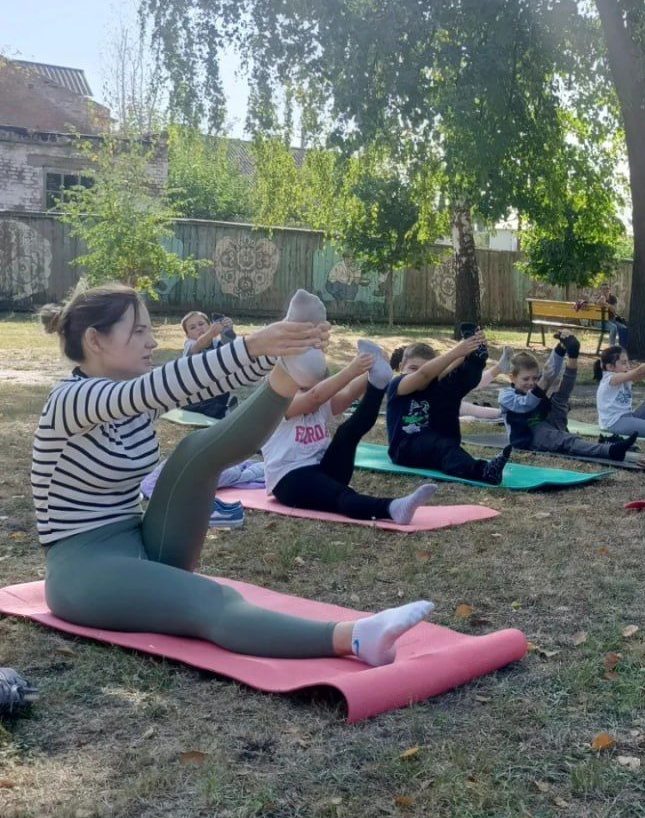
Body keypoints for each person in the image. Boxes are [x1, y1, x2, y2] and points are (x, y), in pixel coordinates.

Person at [32, 283, 433, 666]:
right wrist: (258, 343)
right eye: (138, 332)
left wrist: (283, 348)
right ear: (94, 341)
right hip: (82, 571)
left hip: (146, 543)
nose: (152, 342)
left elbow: (199, 380)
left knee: (195, 451)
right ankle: (354, 637)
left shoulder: (130, 396)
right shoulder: (70, 401)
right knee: (210, 599)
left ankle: (288, 374)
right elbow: (163, 386)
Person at [264, 342, 439, 523]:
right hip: (289, 480)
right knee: (341, 497)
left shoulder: (319, 401)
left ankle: (378, 385)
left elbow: (347, 394)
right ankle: (391, 508)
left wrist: (372, 369)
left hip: (324, 469)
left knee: (347, 431)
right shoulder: (278, 404)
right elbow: (314, 398)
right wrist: (352, 369)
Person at [387, 335, 512, 485]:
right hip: (405, 448)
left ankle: (475, 360)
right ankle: (483, 471)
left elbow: (447, 368)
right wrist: (457, 351)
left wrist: (471, 348)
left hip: (435, 440)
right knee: (442, 446)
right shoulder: (397, 385)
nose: (417, 372)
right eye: (412, 368)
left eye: (427, 366)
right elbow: (424, 374)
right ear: (401, 368)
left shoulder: (432, 382)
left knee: (453, 387)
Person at [500, 333, 636, 461]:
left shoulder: (535, 386)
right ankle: (610, 451)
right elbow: (525, 405)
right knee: (567, 440)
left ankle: (573, 357)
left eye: (535, 378)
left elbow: (551, 370)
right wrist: (543, 381)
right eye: (526, 379)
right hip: (530, 436)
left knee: (560, 397)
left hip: (549, 423)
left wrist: (562, 347)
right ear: (512, 378)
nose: (531, 382)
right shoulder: (505, 396)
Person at [180, 310, 238, 420]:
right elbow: (201, 343)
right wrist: (211, 333)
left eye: (201, 324)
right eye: (192, 327)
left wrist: (227, 328)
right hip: (193, 396)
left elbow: (230, 348)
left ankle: (226, 410)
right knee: (202, 406)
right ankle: (226, 413)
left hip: (216, 391)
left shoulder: (216, 343)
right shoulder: (190, 344)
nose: (198, 328)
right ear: (188, 335)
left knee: (226, 348)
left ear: (210, 325)